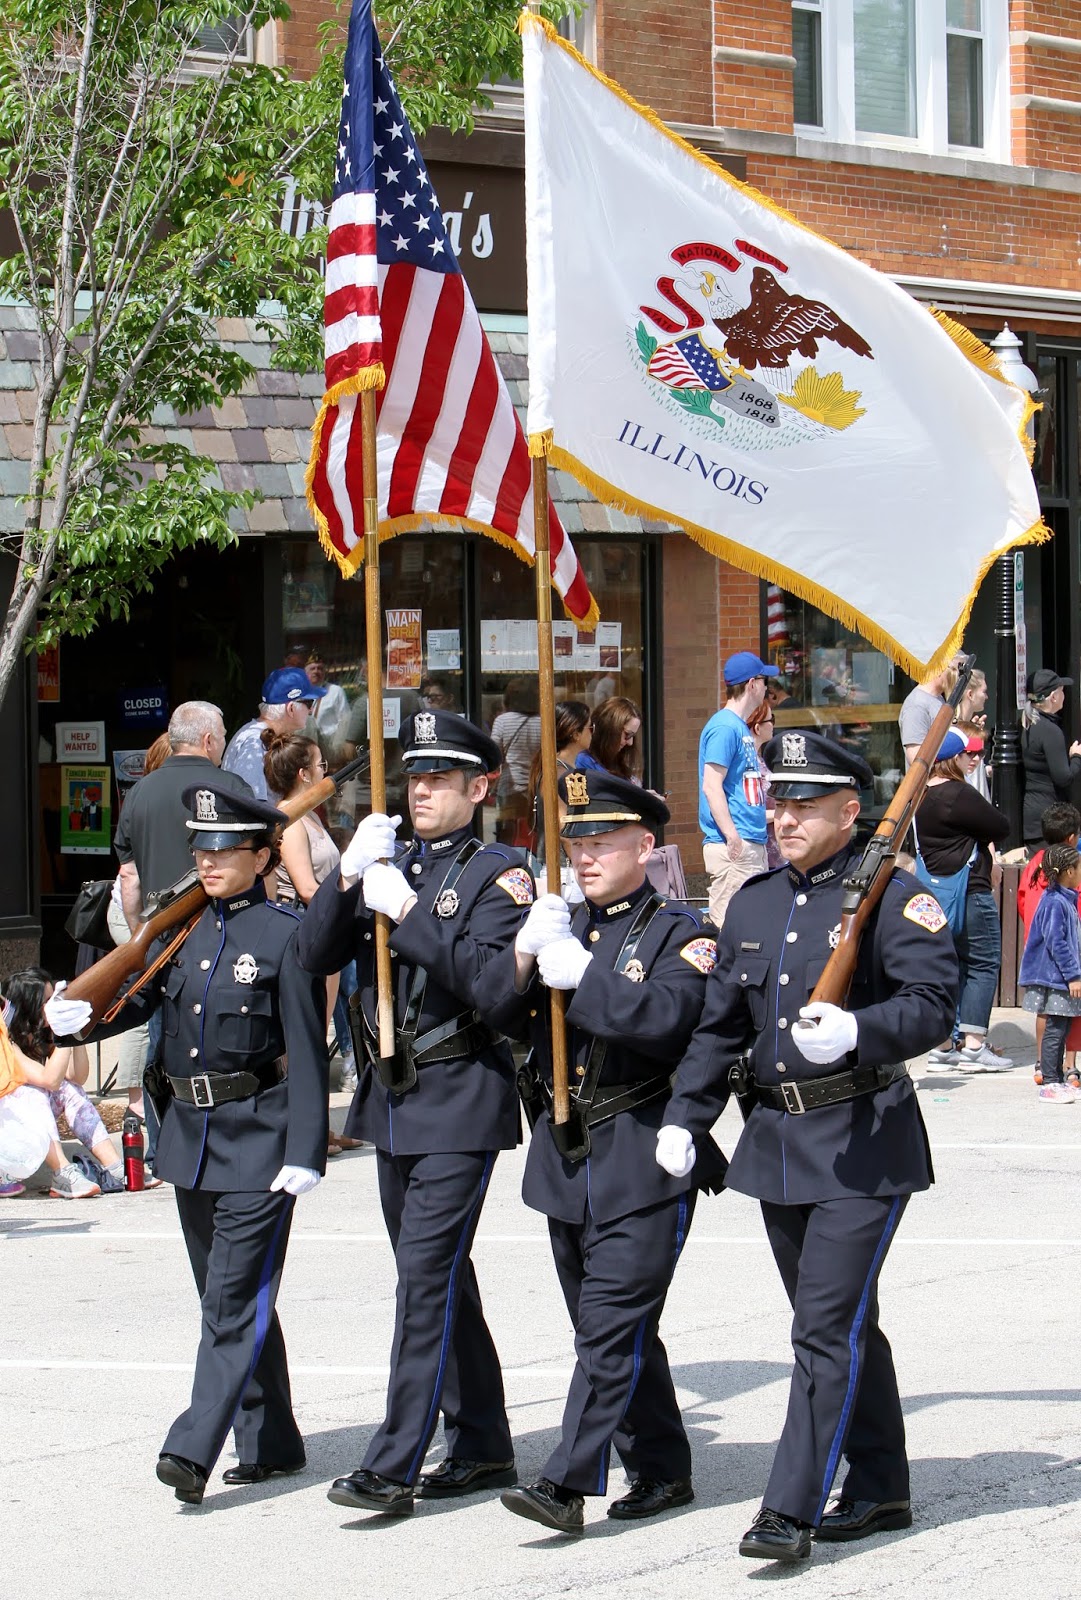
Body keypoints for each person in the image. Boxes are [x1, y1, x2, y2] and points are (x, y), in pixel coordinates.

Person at [658, 730, 958, 1565]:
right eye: (776, 800)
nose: (782, 816)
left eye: (803, 803)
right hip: (777, 1142)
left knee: (822, 1328)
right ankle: (881, 1483)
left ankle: (788, 1509)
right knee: (837, 1319)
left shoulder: (895, 896)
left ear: (849, 810)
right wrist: (686, 1116)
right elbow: (719, 1028)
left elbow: (935, 1004)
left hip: (862, 1142)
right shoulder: (751, 902)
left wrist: (862, 1028)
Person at [47, 781, 330, 1505]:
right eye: (200, 848)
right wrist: (80, 1016)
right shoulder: (185, 930)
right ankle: (271, 1442)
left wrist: (307, 1149)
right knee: (226, 1298)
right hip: (191, 1140)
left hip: (261, 1142)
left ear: (263, 855)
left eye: (224, 848)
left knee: (234, 1301)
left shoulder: (285, 934)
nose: (207, 861)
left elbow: (307, 1046)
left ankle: (192, 1445)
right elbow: (137, 999)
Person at [473, 772, 724, 1535]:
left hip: (644, 1151)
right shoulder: (563, 925)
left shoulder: (683, 935)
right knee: (609, 1327)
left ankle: (565, 1481)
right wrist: (522, 952)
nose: (584, 856)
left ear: (644, 847)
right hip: (566, 1156)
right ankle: (660, 1465)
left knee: (611, 1322)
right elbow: (490, 1009)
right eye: (575, 842)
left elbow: (666, 1022)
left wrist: (588, 980)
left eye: (601, 842)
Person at [298, 711, 534, 1517]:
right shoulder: (387, 860)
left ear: (479, 788)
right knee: (436, 1276)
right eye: (414, 778)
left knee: (422, 1281)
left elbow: (498, 988)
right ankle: (481, 1441)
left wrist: (404, 912)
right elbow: (310, 958)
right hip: (394, 1098)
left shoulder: (500, 875)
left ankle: (393, 1463)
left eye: (440, 779)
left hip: (461, 1095)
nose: (422, 790)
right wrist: (343, 881)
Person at [114, 701, 255, 1175]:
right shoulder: (230, 786)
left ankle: (162, 1144)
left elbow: (128, 879)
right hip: (222, 937)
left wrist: (140, 939)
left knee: (163, 1041)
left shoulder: (139, 792)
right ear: (210, 741)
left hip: (160, 938)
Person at [263, 729, 362, 1153]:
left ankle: (318, 1125)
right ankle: (303, 1131)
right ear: (305, 774)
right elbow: (306, 887)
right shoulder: (290, 818)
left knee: (317, 1035)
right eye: (321, 765)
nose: (326, 772)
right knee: (301, 1038)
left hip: (324, 927)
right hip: (307, 928)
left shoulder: (309, 816)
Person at [915, 730, 1012, 1071]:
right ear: (955, 759)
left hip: (933, 893)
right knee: (983, 963)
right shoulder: (958, 794)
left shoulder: (917, 795)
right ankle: (973, 1047)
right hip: (969, 890)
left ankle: (942, 1047)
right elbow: (1001, 826)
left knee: (948, 966)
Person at [3, 967, 133, 1198]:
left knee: (70, 1089)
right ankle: (62, 1172)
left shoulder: (42, 1034)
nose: (53, 1005)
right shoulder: (7, 1040)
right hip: (9, 1130)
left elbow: (77, 1077)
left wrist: (73, 1034)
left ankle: (115, 1167)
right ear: (28, 1007)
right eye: (47, 1001)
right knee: (31, 1093)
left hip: (28, 1127)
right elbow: (49, 1080)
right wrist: (63, 1032)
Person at [698, 652, 780, 928]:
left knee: (751, 929)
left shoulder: (737, 727)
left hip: (748, 844)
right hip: (735, 847)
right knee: (730, 930)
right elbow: (711, 785)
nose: (768, 688)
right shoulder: (724, 727)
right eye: (764, 680)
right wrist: (733, 837)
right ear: (752, 684)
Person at [1017, 803, 1081, 1083]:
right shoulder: (1069, 868)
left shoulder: (1035, 864)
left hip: (1040, 954)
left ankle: (1041, 1064)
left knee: (1045, 1012)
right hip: (1066, 955)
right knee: (1070, 1012)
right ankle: (1069, 1067)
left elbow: (1023, 903)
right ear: (1071, 838)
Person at [222, 667, 327, 802]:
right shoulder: (254, 742)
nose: (311, 710)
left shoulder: (257, 736)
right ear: (290, 708)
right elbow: (251, 806)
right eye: (309, 702)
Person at [1021, 668, 1081, 855]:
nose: (1064, 695)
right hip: (1050, 819)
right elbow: (1063, 777)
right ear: (1053, 697)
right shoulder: (1050, 731)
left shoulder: (1027, 723)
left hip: (1033, 815)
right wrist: (1076, 757)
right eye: (1062, 691)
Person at [525, 700, 592, 865]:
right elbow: (564, 827)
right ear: (576, 734)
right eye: (590, 728)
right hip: (563, 869)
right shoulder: (559, 773)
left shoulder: (562, 768)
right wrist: (583, 864)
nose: (592, 733)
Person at [491, 678, 542, 845]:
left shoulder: (503, 721)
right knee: (535, 829)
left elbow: (494, 752)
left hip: (509, 787)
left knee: (507, 831)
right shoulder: (543, 722)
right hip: (536, 786)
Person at [898, 657, 960, 767]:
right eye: (956, 670)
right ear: (940, 668)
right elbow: (916, 760)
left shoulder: (938, 699)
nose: (958, 677)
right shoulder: (917, 705)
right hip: (931, 783)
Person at [747, 701, 783, 869]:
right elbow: (749, 812)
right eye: (771, 719)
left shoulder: (759, 760)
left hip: (774, 851)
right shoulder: (747, 765)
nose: (773, 725)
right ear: (757, 728)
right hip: (760, 851)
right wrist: (780, 814)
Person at [576, 696, 642, 782]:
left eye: (633, 736)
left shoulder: (616, 762)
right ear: (610, 729)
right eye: (627, 734)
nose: (630, 742)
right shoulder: (583, 762)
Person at [306, 654, 350, 752]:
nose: (316, 671)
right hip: (307, 746)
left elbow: (345, 721)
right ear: (305, 673)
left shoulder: (335, 691)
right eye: (312, 668)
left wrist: (337, 748)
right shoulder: (300, 695)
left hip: (330, 746)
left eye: (320, 668)